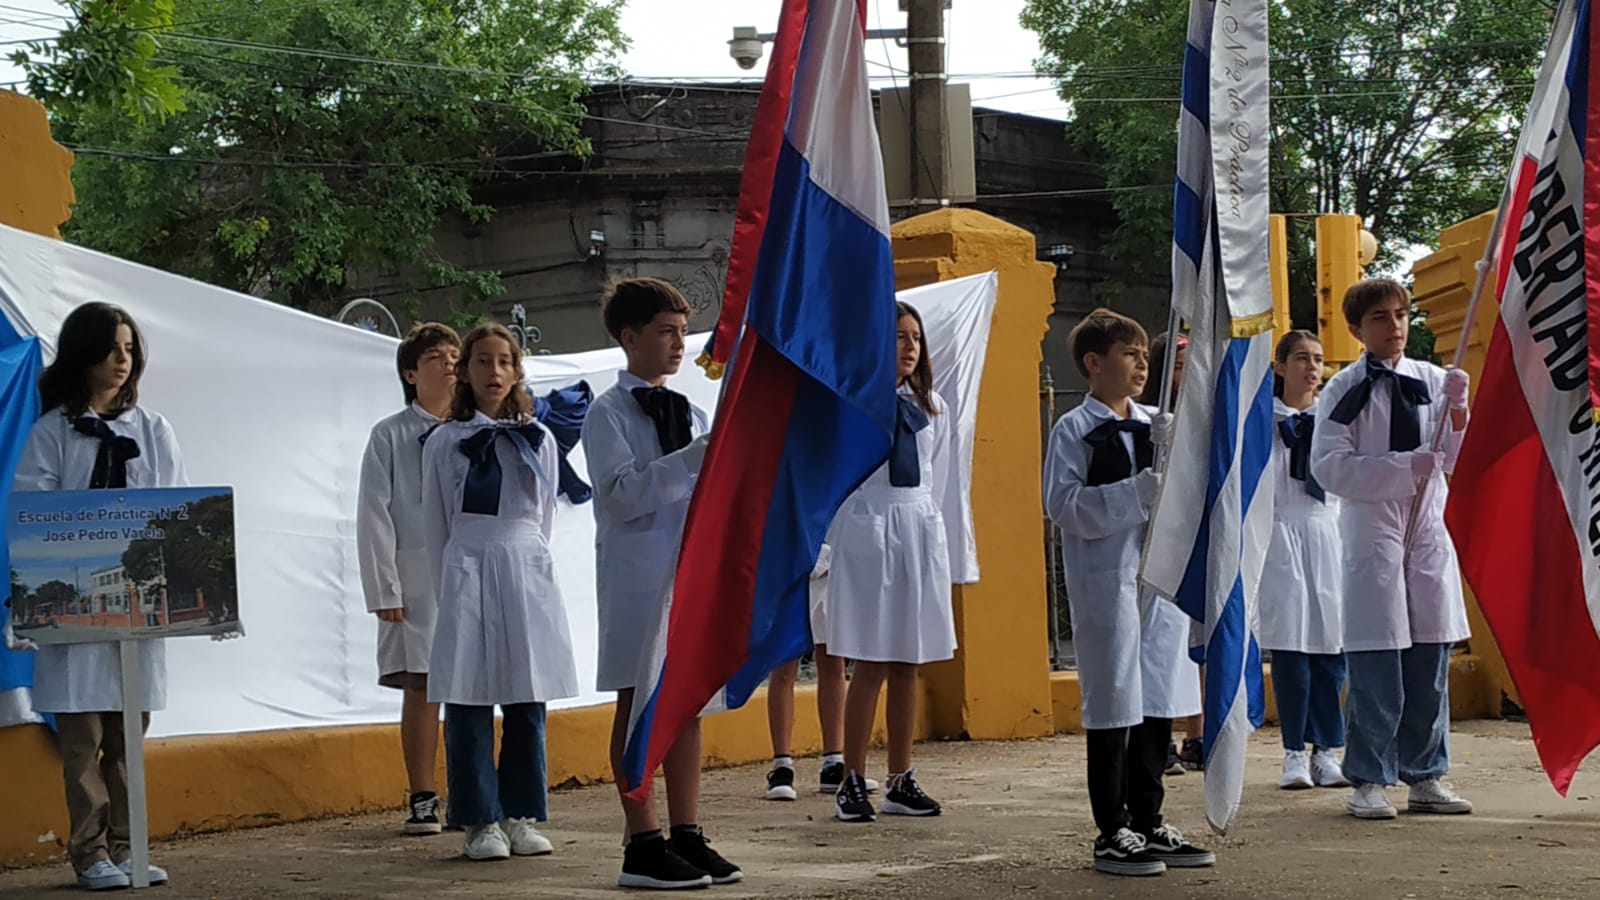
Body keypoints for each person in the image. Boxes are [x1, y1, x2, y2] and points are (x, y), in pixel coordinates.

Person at [11, 302, 185, 891]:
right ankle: (89, 853)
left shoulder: (154, 431)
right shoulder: (52, 432)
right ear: (83, 353)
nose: (121, 360)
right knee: (81, 737)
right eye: (111, 348)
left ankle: (129, 845)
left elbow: (175, 511)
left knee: (126, 735)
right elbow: (34, 515)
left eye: (130, 349)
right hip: (75, 604)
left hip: (135, 604)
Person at [1043, 308, 1214, 877]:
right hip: (1107, 578)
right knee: (1115, 698)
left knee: (1156, 697)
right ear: (1094, 364)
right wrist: (1137, 492)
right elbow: (1063, 505)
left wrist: (1176, 461)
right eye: (1129, 353)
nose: (1143, 363)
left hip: (1154, 577)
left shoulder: (1154, 425)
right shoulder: (1074, 429)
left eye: (1145, 354)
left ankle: (1148, 817)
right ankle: (1110, 826)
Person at [581, 277, 739, 890]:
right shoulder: (607, 412)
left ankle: (687, 832)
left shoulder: (693, 411)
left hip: (687, 572)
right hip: (634, 576)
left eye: (682, 332)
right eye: (666, 332)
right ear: (630, 338)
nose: (678, 344)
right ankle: (640, 838)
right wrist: (692, 460)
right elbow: (621, 496)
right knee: (637, 700)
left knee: (687, 701)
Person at [1310, 278, 1474, 820]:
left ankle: (1425, 773)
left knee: (1429, 656)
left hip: (1425, 529)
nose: (1395, 326)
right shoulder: (1341, 390)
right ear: (1358, 329)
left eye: (1401, 314)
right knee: (1378, 659)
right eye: (1381, 317)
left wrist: (1457, 415)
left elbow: (1452, 458)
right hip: (1372, 528)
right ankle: (1369, 777)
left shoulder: (1432, 379)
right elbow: (1329, 466)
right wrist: (1403, 468)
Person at [420, 323, 579, 860]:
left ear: (517, 371)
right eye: (483, 361)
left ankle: (520, 812)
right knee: (468, 694)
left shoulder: (539, 437)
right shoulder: (446, 441)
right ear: (465, 370)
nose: (494, 372)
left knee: (525, 691)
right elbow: (437, 520)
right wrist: (453, 577)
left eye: (504, 362)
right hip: (468, 560)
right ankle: (478, 820)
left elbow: (546, 515)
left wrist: (527, 560)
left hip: (523, 563)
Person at [828, 302, 957, 824]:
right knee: (871, 660)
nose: (909, 347)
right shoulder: (852, 403)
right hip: (868, 526)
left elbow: (937, 474)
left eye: (915, 339)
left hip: (917, 526)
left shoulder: (933, 407)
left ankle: (901, 777)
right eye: (898, 337)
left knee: (909, 659)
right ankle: (853, 776)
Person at [357, 322, 460, 834]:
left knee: (472, 687)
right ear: (410, 373)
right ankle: (423, 794)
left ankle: (471, 792)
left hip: (468, 572)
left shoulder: (475, 428)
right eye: (437, 357)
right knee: (421, 688)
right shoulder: (391, 435)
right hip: (414, 578)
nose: (449, 364)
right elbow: (374, 513)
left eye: (454, 356)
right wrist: (384, 589)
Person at [1260, 331, 1349, 790]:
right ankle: (1294, 750)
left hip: (1327, 529)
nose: (1311, 368)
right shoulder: (1261, 421)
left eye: (1317, 359)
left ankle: (1327, 750)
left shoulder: (1333, 420)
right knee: (1292, 646)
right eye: (1300, 358)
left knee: (1331, 647)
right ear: (1279, 366)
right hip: (1281, 530)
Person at [761, 550, 879, 801]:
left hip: (833, 570)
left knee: (833, 663)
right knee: (783, 668)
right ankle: (782, 764)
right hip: (793, 567)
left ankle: (833, 761)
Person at [1139, 331, 1203, 776]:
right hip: (1158, 540)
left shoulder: (1203, 417)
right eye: (1181, 366)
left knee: (1193, 644)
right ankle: (1153, 739)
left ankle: (1198, 736)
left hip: (1194, 534)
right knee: (1159, 649)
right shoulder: (1147, 418)